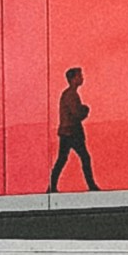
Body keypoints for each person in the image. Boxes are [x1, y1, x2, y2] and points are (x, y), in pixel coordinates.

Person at [47, 66, 97, 194]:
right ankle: (91, 186)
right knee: (84, 158)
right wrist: (85, 109)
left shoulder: (69, 94)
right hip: (72, 133)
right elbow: (76, 114)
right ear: (73, 79)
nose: (82, 78)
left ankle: (51, 187)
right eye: (79, 76)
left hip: (67, 132)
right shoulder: (71, 95)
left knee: (63, 159)